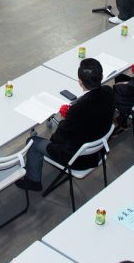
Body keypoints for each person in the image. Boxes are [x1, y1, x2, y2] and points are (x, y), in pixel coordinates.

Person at [17, 58, 115, 191]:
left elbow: (59, 137)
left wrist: (64, 122)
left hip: (77, 159)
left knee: (32, 141)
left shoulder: (78, 109)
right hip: (98, 151)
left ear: (80, 82)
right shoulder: (108, 92)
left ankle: (33, 181)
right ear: (102, 77)